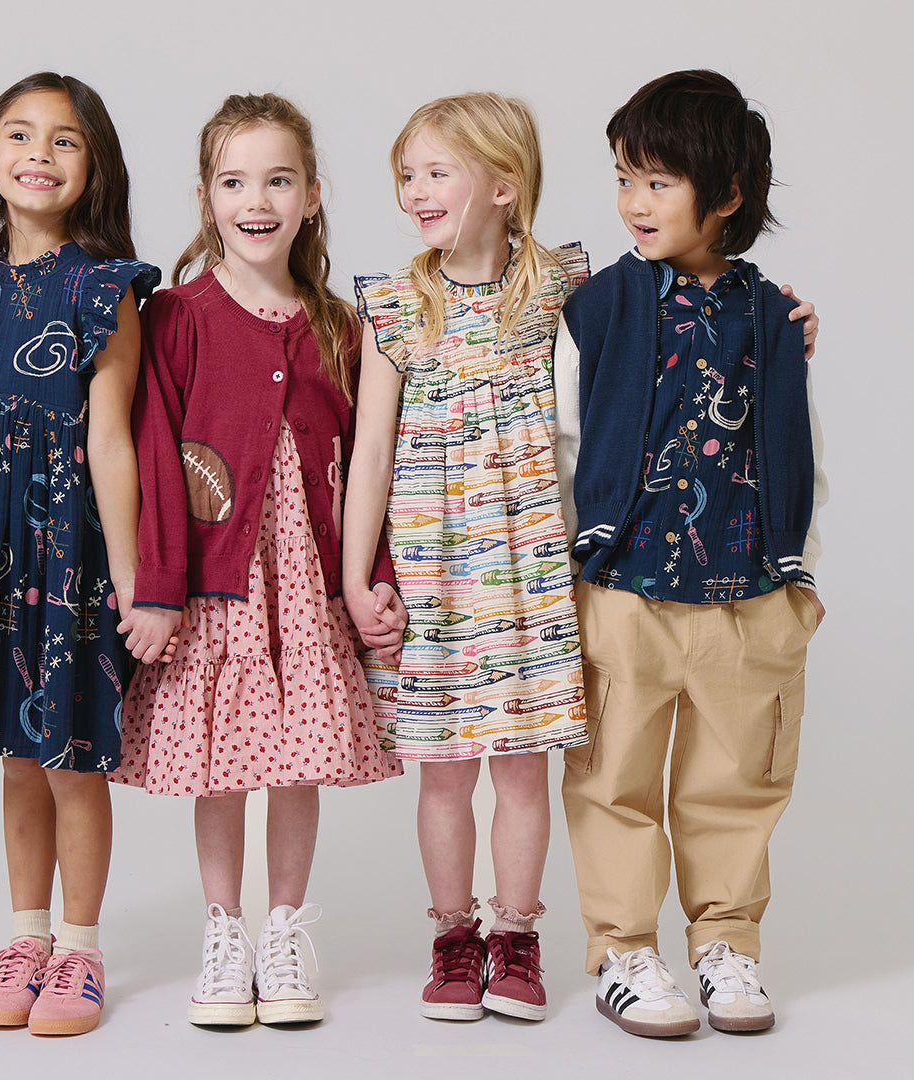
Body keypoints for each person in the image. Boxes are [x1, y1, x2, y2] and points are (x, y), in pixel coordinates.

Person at [109, 92, 404, 1027]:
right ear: (206, 197)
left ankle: (284, 930)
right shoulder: (177, 316)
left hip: (306, 580)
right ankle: (224, 929)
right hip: (218, 583)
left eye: (278, 179)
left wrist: (373, 578)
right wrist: (156, 588)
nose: (257, 199)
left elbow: (369, 467)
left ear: (312, 194)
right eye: (235, 181)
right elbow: (155, 454)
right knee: (226, 763)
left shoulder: (341, 327)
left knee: (296, 761)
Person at [554, 69, 826, 1037]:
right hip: (626, 587)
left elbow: (795, 447)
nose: (634, 201)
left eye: (660, 181)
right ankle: (625, 949)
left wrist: (797, 573)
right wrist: (567, 568)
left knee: (736, 780)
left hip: (746, 593)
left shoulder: (771, 314)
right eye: (627, 176)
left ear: (730, 194)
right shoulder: (598, 307)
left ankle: (726, 945)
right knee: (613, 775)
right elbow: (567, 441)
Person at [0, 73, 160, 1036]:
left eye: (64, 141)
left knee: (68, 757)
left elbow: (111, 442)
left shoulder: (105, 291)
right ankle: (24, 938)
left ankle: (81, 950)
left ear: (92, 165)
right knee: (13, 758)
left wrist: (135, 579)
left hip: (70, 554)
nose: (38, 154)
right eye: (18, 136)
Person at [345, 93, 589, 1023]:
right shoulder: (397, 306)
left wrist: (782, 325)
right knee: (443, 768)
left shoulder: (564, 287)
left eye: (436, 172)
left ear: (503, 184)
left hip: (529, 569)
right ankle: (453, 937)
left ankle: (517, 936)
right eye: (406, 174)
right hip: (434, 571)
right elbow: (369, 454)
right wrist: (355, 575)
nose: (414, 191)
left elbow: (668, 316)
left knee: (523, 765)